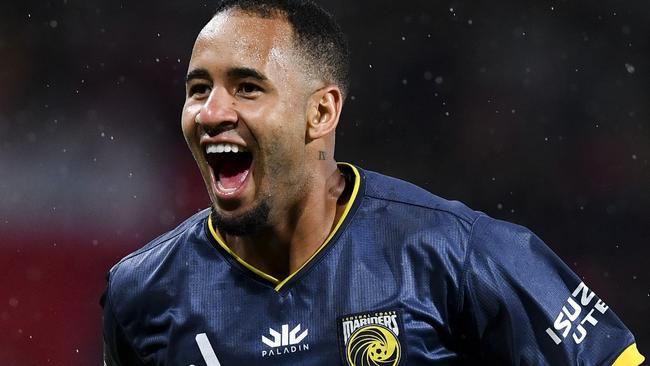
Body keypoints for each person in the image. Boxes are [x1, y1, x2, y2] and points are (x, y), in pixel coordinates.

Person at [101, 1, 645, 365]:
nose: (211, 112)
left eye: (246, 88)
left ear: (320, 112)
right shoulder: (142, 293)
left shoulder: (454, 253)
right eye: (198, 89)